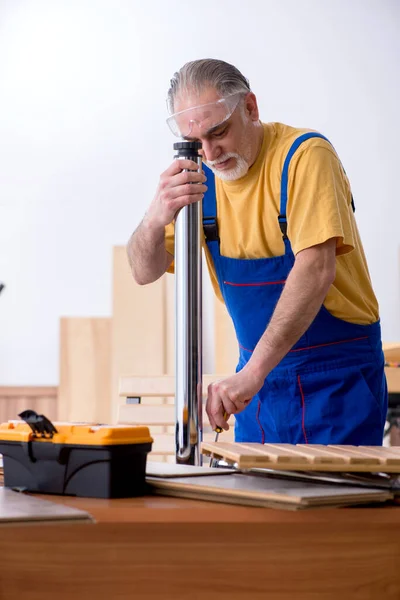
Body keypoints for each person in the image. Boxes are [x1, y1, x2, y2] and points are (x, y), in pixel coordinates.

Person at [127, 58, 387, 446]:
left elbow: (315, 270)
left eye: (219, 132)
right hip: (259, 391)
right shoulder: (199, 180)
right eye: (195, 142)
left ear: (250, 107)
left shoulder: (304, 157)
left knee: (332, 505)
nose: (210, 153)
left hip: (336, 381)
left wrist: (252, 372)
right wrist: (153, 218)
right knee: (255, 505)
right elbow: (143, 271)